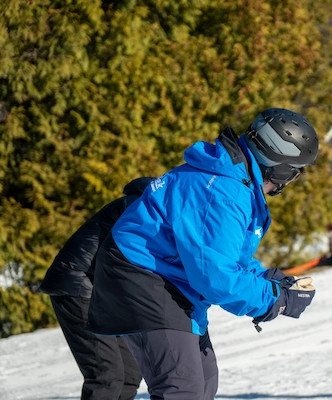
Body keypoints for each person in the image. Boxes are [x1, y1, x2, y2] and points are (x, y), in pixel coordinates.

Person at [86, 108, 319, 399]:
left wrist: (268, 279)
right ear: (280, 167)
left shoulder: (232, 175)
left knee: (204, 381)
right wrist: (278, 300)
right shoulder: (226, 190)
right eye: (295, 173)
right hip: (141, 277)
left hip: (167, 276)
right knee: (181, 389)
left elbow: (216, 254)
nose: (291, 182)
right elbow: (217, 277)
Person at [38, 177, 155, 400]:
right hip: (75, 285)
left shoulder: (144, 204)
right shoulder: (136, 207)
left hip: (98, 289)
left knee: (130, 372)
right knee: (106, 373)